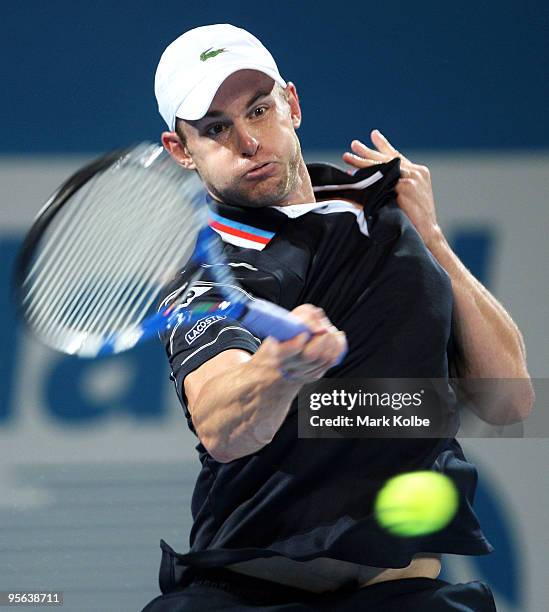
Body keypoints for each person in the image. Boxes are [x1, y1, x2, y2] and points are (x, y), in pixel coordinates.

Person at [142, 24, 533, 611]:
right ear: (181, 151)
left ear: (292, 105)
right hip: (247, 596)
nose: (248, 141)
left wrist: (433, 238)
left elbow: (509, 402)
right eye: (216, 129)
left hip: (406, 595)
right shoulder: (205, 270)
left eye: (259, 110)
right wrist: (279, 370)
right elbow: (223, 426)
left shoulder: (386, 209)